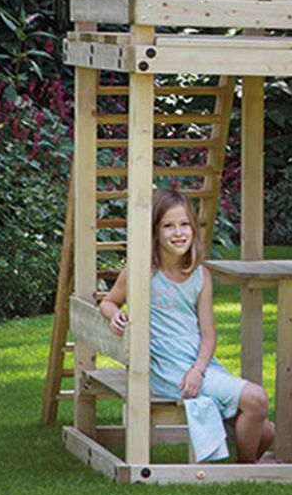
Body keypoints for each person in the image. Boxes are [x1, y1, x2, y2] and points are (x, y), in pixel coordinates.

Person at [98, 189, 275, 462]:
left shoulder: (200, 275)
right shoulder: (142, 272)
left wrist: (198, 370)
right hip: (167, 370)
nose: (178, 233)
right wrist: (113, 314)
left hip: (199, 365)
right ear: (155, 232)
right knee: (257, 398)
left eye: (184, 225)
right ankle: (245, 468)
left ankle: (242, 466)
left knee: (266, 431)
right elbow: (109, 301)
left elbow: (208, 336)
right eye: (168, 226)